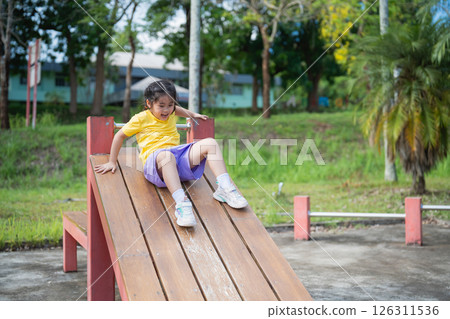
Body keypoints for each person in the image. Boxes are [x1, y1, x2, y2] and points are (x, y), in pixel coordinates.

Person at [94, 79, 248, 227]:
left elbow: (178, 111)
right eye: (161, 105)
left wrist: (192, 114)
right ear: (149, 103)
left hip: (177, 160)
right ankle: (182, 204)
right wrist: (112, 161)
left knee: (210, 143)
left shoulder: (172, 112)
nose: (167, 110)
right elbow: (119, 136)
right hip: (156, 165)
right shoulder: (141, 119)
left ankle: (225, 189)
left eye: (170, 104)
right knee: (166, 156)